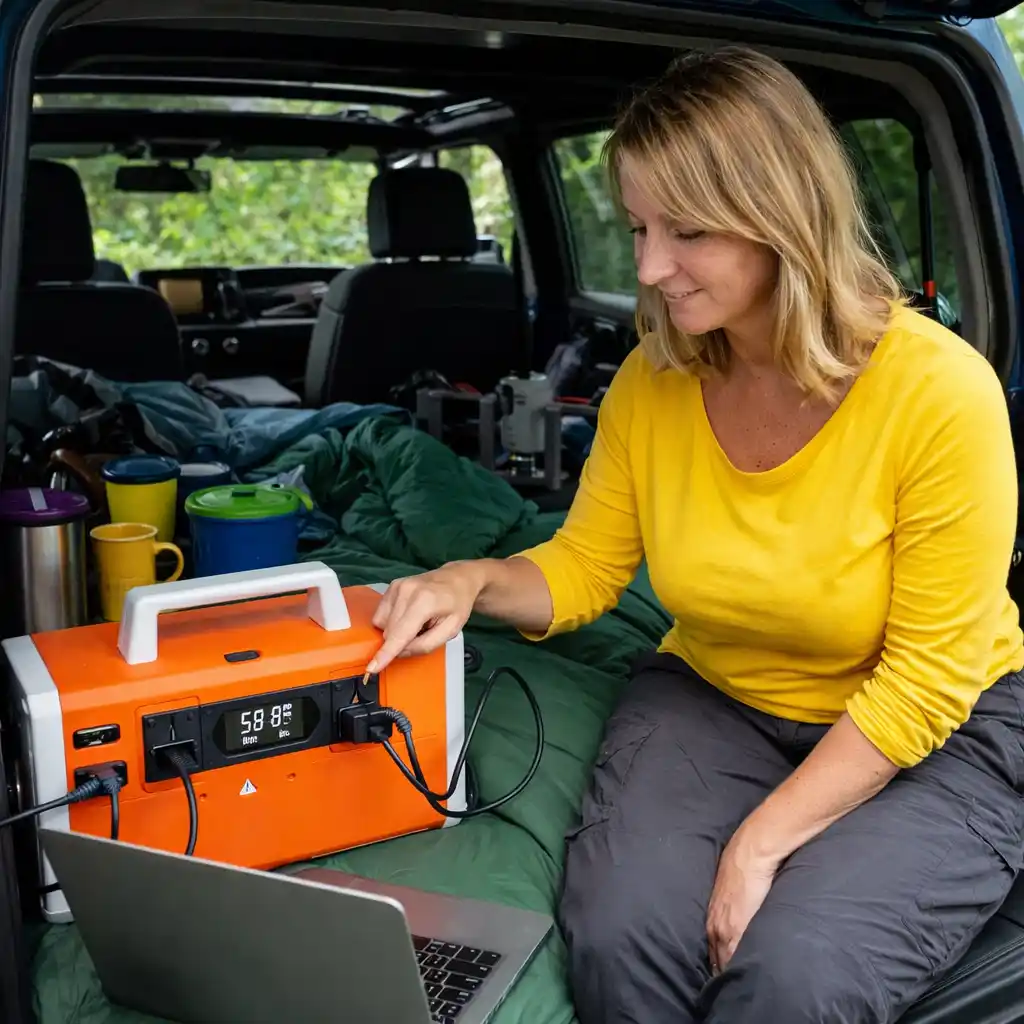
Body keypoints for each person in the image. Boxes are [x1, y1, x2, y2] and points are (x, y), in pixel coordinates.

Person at [366, 45, 1024, 1023]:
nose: (647, 267)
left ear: (780, 218)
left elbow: (926, 679)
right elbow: (586, 566)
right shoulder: (653, 381)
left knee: (795, 974)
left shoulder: (938, 393)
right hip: (717, 695)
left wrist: (756, 843)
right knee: (624, 938)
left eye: (688, 231)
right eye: (636, 227)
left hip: (941, 730)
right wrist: (470, 580)